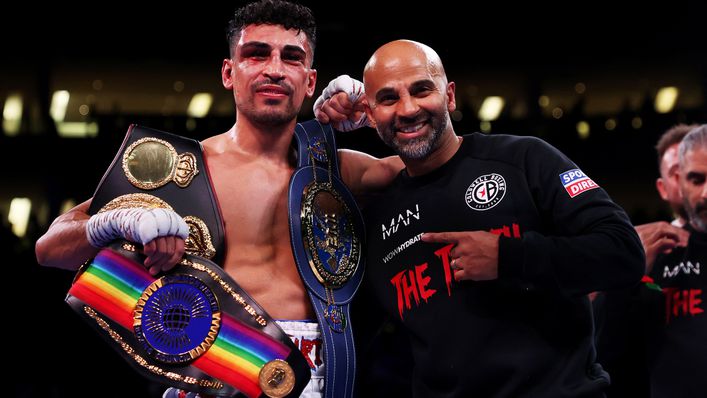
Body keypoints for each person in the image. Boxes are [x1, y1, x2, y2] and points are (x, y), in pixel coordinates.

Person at [35, 1, 402, 397]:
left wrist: (378, 116)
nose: (274, 69)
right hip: (214, 373)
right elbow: (50, 249)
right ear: (229, 72)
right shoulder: (181, 170)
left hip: (317, 377)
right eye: (256, 54)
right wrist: (112, 222)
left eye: (291, 58)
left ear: (311, 81)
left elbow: (437, 169)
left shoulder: (338, 170)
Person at [314, 39, 645, 397]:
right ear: (370, 112)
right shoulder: (377, 219)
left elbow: (623, 252)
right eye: (389, 98)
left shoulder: (523, 159)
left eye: (422, 90)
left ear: (450, 95)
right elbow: (346, 336)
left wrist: (508, 256)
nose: (408, 109)